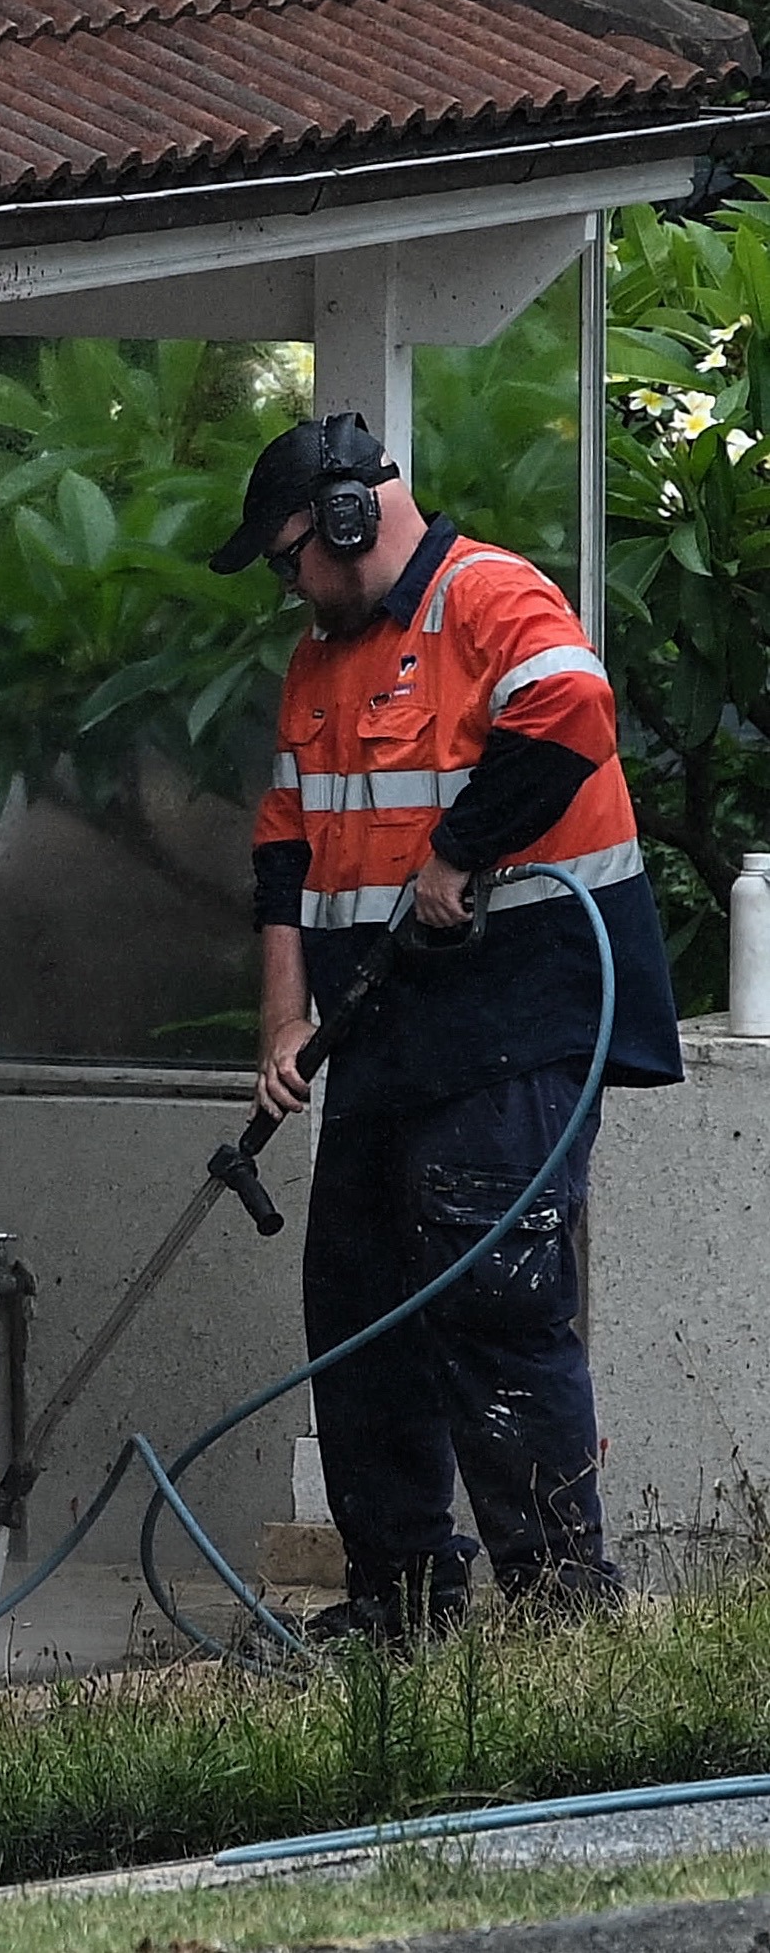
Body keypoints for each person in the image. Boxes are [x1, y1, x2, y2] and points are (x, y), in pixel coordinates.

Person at [218, 411, 683, 1644]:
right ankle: (401, 1598)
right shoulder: (320, 660)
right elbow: (282, 848)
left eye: (286, 558)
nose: (286, 584)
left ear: (346, 520)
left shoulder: (487, 596)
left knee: (492, 1295)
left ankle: (557, 1608)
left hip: (513, 1016)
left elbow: (572, 708)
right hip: (381, 1030)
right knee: (355, 1302)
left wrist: (458, 853)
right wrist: (284, 1020)